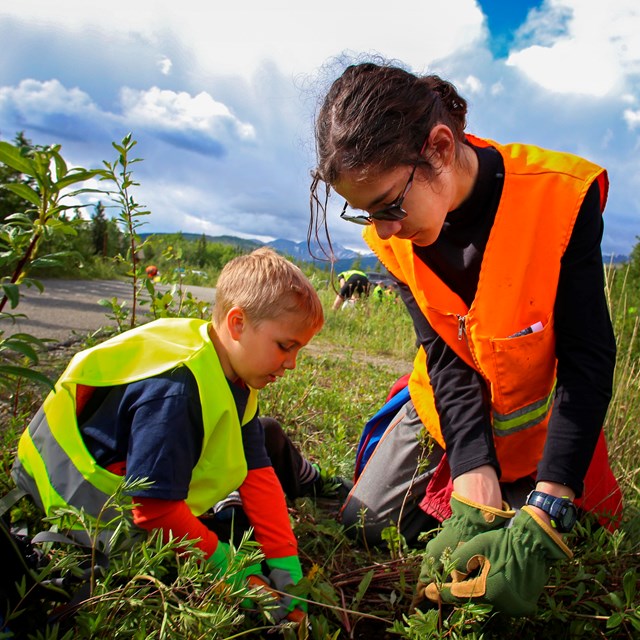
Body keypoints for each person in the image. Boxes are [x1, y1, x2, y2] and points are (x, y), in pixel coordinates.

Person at [309, 60, 622, 616]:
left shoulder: (558, 201)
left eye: (390, 206)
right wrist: (475, 467)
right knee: (366, 525)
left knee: (549, 560)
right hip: (447, 410)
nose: (384, 231)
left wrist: (550, 500)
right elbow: (442, 357)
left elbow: (587, 359)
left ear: (440, 147)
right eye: (366, 214)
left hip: (538, 422)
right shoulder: (396, 239)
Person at [11, 247, 325, 624]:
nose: (291, 363)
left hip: (138, 487)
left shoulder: (232, 364)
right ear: (237, 322)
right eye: (285, 346)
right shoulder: (177, 393)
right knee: (147, 581)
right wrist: (238, 575)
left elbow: (257, 472)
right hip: (76, 491)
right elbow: (153, 511)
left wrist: (286, 565)